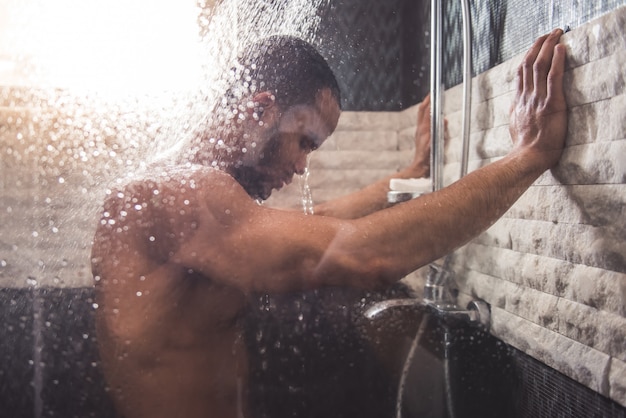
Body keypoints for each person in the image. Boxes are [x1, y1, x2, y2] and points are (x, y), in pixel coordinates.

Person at [91, 29, 567, 418]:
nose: (301, 167)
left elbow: (309, 227)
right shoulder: (175, 193)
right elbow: (356, 253)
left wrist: (406, 176)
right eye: (305, 143)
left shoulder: (202, 203)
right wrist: (527, 158)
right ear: (259, 110)